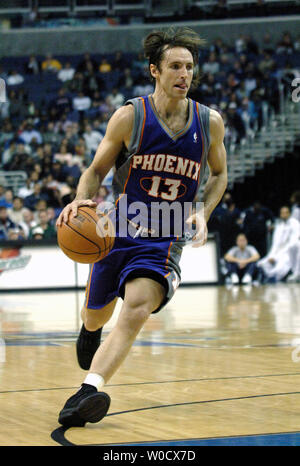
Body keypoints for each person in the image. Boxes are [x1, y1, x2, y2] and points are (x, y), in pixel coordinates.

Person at [56, 27, 227, 427]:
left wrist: (204, 211)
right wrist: (82, 199)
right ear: (155, 70)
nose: (184, 74)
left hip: (166, 236)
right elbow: (96, 170)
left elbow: (219, 175)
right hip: (118, 228)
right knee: (97, 315)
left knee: (135, 309)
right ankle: (89, 328)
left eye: (189, 67)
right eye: (175, 66)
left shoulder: (209, 122)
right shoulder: (131, 117)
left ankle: (90, 390)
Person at [258, 206, 300, 283]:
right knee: (262, 263)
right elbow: (275, 244)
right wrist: (272, 255)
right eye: (282, 213)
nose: (284, 215)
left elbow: (292, 242)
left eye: (286, 213)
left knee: (281, 266)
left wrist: (277, 257)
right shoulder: (279, 226)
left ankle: (291, 275)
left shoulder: (295, 223)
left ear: (289, 213)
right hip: (277, 253)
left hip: (289, 253)